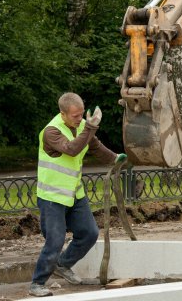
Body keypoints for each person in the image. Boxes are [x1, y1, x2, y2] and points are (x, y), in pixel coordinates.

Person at [29, 92, 127, 297]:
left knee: (89, 233)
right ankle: (37, 283)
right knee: (55, 241)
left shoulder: (83, 126)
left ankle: (63, 265)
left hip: (74, 193)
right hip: (52, 196)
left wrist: (115, 158)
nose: (80, 119)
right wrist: (90, 128)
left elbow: (95, 147)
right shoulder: (51, 131)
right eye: (75, 116)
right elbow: (72, 149)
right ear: (62, 114)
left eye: (81, 114)